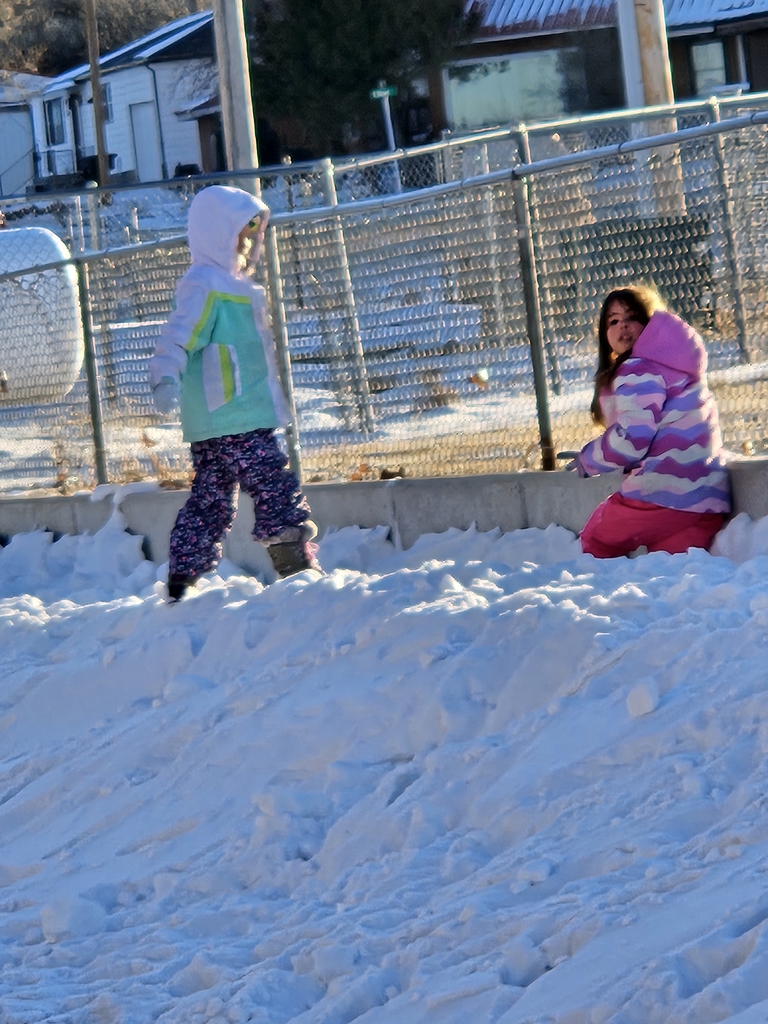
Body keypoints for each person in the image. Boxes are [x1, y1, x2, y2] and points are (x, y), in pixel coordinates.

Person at [149, 184, 319, 601]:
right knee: (270, 480)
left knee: (210, 499)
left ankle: (182, 577)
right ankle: (292, 558)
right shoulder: (206, 285)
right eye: (239, 237)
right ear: (216, 235)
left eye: (249, 238)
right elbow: (179, 333)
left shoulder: (235, 287)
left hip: (225, 418)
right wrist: (164, 375)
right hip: (234, 416)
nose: (245, 246)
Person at [570, 285, 731, 558]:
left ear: (651, 324)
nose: (623, 326)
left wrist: (588, 460)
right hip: (706, 502)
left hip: (660, 494)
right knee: (670, 570)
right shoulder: (680, 370)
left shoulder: (638, 369)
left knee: (596, 540)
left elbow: (632, 440)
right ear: (603, 334)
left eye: (632, 317)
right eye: (613, 320)